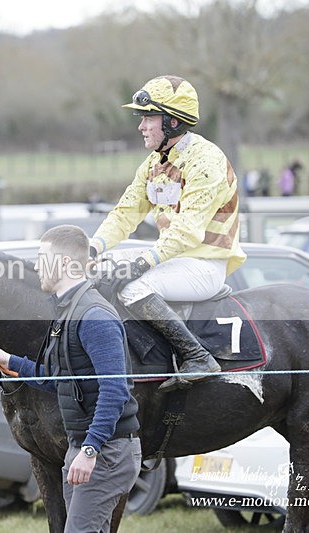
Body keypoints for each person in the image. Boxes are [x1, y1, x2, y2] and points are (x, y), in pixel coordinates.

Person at [0, 225, 141, 532]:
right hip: (82, 449)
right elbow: (60, 380)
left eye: (43, 258)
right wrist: (10, 362)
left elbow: (115, 390)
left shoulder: (94, 316)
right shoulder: (67, 312)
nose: (37, 266)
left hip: (105, 452)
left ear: (64, 263)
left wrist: (90, 450)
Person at [88, 75, 246, 392]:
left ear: (173, 122)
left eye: (149, 118)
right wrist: (92, 248)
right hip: (174, 261)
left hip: (204, 265)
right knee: (99, 269)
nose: (141, 126)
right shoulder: (153, 163)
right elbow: (125, 213)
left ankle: (197, 357)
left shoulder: (206, 161)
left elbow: (186, 232)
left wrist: (141, 263)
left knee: (133, 285)